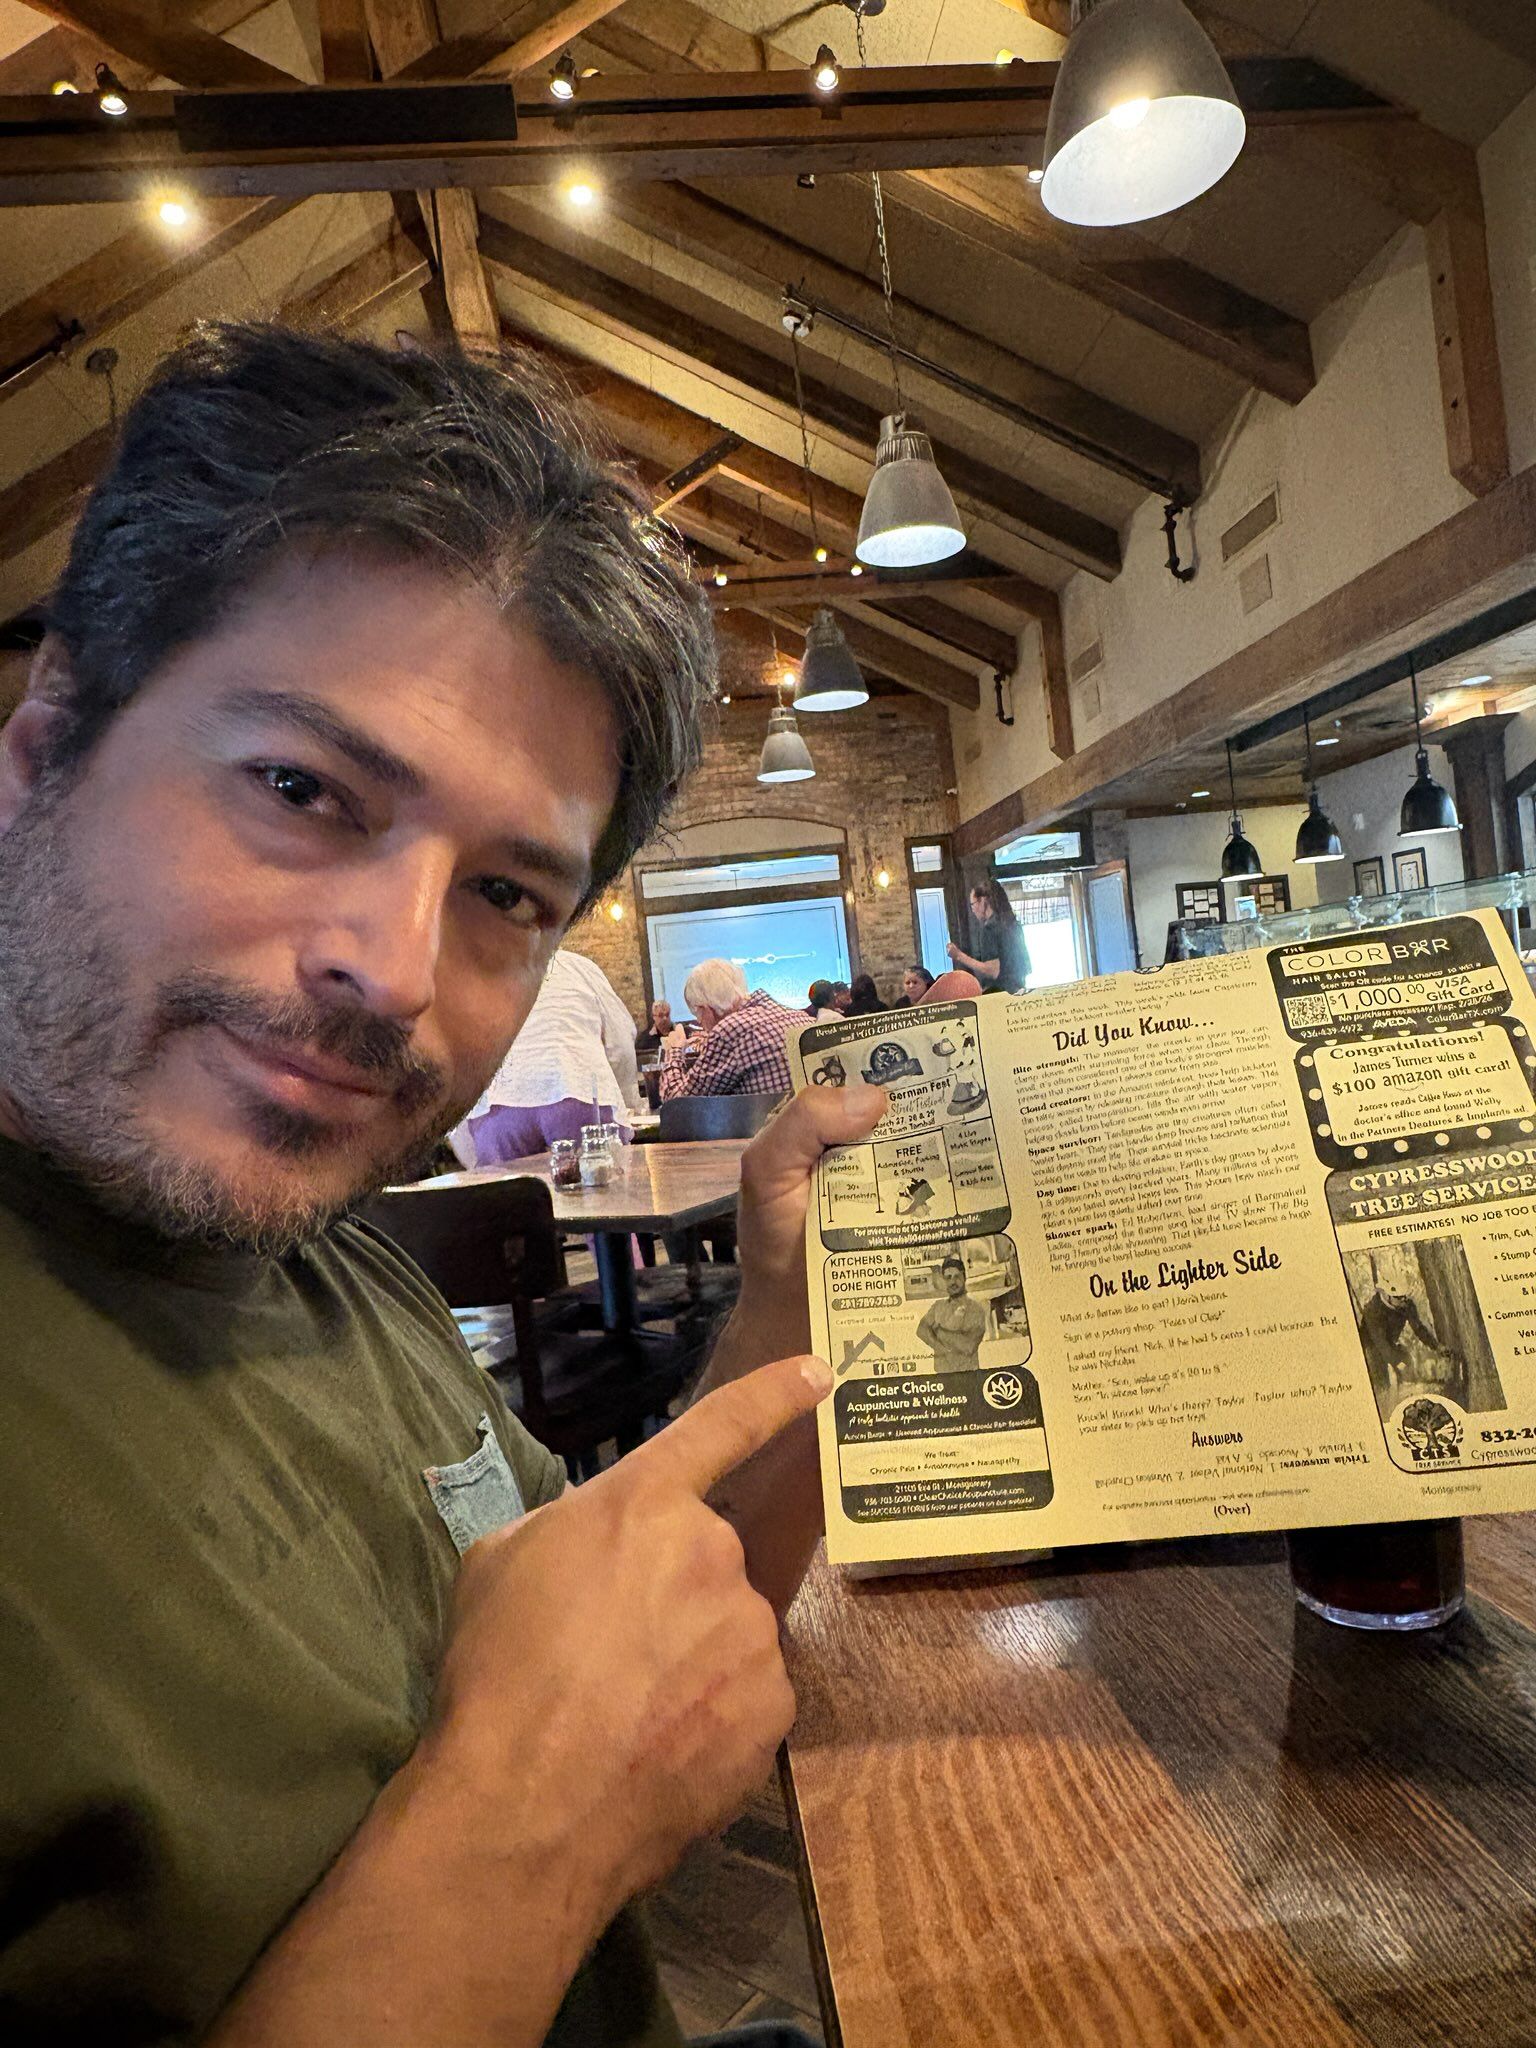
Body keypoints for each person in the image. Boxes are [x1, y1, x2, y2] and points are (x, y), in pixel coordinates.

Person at [0, 322, 891, 2048]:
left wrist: (793, 1296)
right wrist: (524, 1836)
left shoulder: (313, 1237)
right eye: (301, 789)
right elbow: (558, 1764)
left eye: (503, 893)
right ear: (41, 755)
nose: (395, 971)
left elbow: (616, 1661)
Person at [449, 947, 642, 1166]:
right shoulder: (579, 967)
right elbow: (621, 1043)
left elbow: (456, 1059)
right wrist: (626, 1100)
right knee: (599, 1190)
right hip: (576, 1090)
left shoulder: (479, 976)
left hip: (499, 1106)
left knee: (507, 1196)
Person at [658, 958, 801, 1100]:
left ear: (707, 1010)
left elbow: (676, 1102)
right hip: (809, 1119)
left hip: (766, 1122)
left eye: (697, 1015)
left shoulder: (729, 1031)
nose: (700, 1023)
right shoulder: (800, 1018)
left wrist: (675, 1050)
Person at [948, 880, 1030, 994]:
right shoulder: (1014, 925)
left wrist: (958, 956)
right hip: (1019, 989)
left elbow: (993, 970)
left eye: (973, 904)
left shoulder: (990, 928)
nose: (973, 910)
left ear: (982, 900)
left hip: (1000, 994)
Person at [917, 1253, 988, 1371]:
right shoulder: (938, 1306)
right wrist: (941, 1348)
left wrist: (939, 1332)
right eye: (948, 1277)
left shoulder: (976, 1309)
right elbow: (921, 1330)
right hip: (942, 1376)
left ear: (964, 1277)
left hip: (968, 1375)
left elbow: (969, 1347)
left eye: (957, 1276)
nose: (953, 1282)